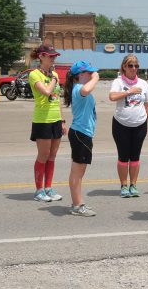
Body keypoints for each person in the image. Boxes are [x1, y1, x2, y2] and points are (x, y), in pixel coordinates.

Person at [108, 54, 148, 198]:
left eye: (136, 66)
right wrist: (129, 91)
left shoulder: (143, 83)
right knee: (123, 156)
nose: (133, 68)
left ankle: (133, 185)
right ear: (124, 67)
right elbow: (112, 97)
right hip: (121, 124)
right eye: (130, 65)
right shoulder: (118, 81)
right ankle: (123, 185)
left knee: (135, 156)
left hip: (140, 124)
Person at [63, 60, 100, 217]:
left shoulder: (79, 87)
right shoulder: (79, 88)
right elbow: (86, 90)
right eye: (89, 72)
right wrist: (96, 78)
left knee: (78, 172)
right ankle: (78, 205)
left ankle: (76, 202)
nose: (92, 74)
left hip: (83, 133)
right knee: (77, 172)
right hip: (81, 133)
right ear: (80, 75)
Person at [29, 44, 65, 203]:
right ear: (41, 56)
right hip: (42, 120)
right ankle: (39, 190)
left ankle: (48, 188)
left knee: (52, 155)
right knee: (43, 155)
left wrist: (62, 120)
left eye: (54, 56)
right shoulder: (34, 74)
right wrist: (54, 79)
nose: (53, 58)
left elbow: (57, 99)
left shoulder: (54, 74)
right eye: (50, 56)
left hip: (55, 119)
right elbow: (46, 91)